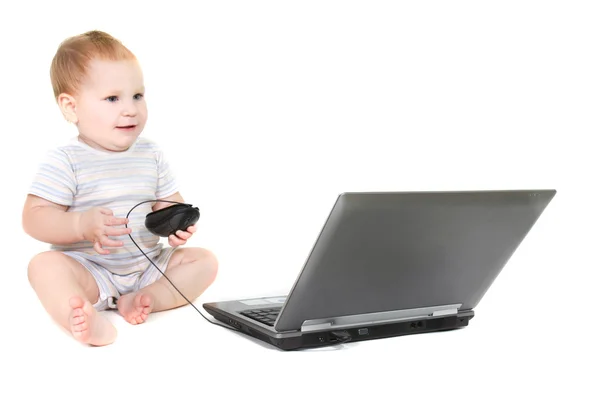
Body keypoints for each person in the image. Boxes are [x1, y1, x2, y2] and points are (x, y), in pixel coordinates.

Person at [22, 30, 218, 346]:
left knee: (204, 261)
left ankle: (146, 297)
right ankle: (84, 318)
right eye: (113, 98)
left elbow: (167, 202)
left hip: (147, 266)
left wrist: (176, 222)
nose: (130, 108)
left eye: (137, 96)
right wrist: (79, 224)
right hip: (91, 271)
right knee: (43, 267)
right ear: (71, 107)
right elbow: (33, 217)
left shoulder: (151, 153)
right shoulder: (66, 160)